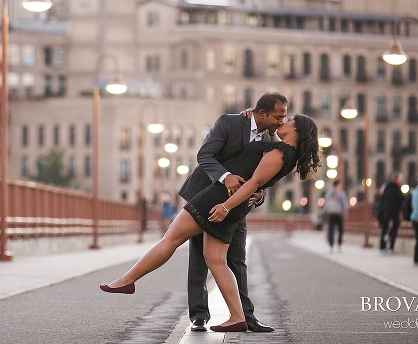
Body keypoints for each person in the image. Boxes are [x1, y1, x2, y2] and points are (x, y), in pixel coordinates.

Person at [100, 114, 321, 333]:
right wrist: (269, 129)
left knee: (172, 238)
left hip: (217, 199)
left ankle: (126, 280)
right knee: (216, 260)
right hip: (229, 204)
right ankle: (237, 317)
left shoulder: (280, 154)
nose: (283, 121)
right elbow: (258, 179)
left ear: (297, 130)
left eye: (289, 120)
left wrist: (225, 206)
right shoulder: (284, 152)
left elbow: (254, 181)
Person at [177, 92, 288, 333]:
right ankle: (198, 315)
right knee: (199, 257)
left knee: (237, 259)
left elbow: (262, 178)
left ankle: (245, 317)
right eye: (278, 117)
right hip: (204, 197)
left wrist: (259, 196)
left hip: (237, 207)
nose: (281, 122)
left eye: (285, 118)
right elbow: (205, 155)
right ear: (261, 113)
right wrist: (226, 177)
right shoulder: (230, 122)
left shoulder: (271, 142)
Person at [377, 172, 405, 254]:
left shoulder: (387, 188)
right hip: (392, 211)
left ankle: (383, 246)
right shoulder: (395, 188)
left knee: (385, 229)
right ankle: (389, 245)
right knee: (394, 226)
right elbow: (401, 198)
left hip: (385, 211)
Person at [323, 179, 348, 253]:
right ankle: (339, 244)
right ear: (338, 184)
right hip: (338, 213)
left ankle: (331, 245)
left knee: (331, 229)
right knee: (340, 229)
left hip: (331, 213)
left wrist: (324, 212)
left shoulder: (329, 192)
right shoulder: (341, 193)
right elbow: (344, 204)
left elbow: (326, 203)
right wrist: (345, 213)